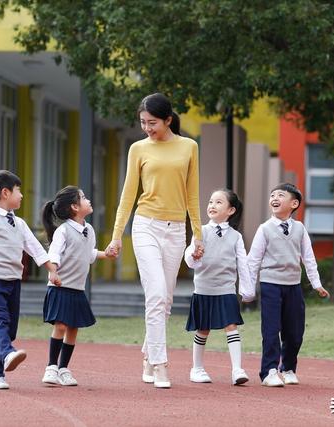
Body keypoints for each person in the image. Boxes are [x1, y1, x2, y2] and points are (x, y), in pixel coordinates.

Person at [105, 93, 203, 389]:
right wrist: (116, 236)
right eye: (143, 122)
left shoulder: (189, 147)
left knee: (166, 300)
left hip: (175, 231)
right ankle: (160, 364)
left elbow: (192, 195)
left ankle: (148, 354)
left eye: (152, 122)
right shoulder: (138, 149)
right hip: (145, 225)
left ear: (168, 120)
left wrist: (198, 234)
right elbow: (127, 194)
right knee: (157, 295)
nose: (147, 127)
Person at [0, 170, 60, 390]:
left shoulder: (19, 224)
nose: (22, 195)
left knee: (9, 329)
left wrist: (51, 270)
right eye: (18, 191)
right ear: (5, 192)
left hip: (13, 281)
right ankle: (5, 358)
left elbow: (35, 248)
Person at [247, 183, 330, 387]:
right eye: (272, 195)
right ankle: (269, 371)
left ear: (294, 203)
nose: (274, 198)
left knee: (294, 331)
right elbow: (253, 260)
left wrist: (316, 283)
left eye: (280, 195)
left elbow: (308, 258)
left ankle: (288, 368)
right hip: (270, 285)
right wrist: (248, 290)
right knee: (271, 329)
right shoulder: (264, 229)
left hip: (293, 286)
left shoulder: (300, 229)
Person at [40, 185, 111, 387]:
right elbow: (53, 255)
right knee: (61, 325)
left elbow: (89, 255)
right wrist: (53, 273)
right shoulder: (63, 231)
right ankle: (51, 367)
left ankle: (64, 369)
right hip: (60, 287)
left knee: (73, 328)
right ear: (74, 206)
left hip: (77, 289)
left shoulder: (89, 230)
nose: (88, 199)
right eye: (83, 197)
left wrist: (106, 254)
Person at [184, 189, 255, 385]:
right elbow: (190, 259)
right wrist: (194, 255)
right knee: (203, 329)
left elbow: (242, 263)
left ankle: (237, 369)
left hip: (226, 290)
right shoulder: (201, 231)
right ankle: (197, 368)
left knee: (231, 326)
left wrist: (247, 290)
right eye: (210, 201)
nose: (212, 205)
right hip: (204, 289)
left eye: (218, 202)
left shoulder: (236, 237)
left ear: (231, 210)